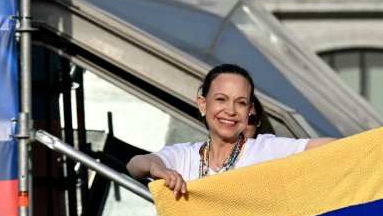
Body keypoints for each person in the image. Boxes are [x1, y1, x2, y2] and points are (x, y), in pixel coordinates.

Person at [127, 64, 333, 195]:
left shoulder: (265, 148)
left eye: (241, 103)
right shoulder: (184, 155)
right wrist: (157, 169)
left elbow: (326, 147)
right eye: (221, 100)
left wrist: (365, 146)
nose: (230, 111)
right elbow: (135, 165)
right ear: (202, 104)